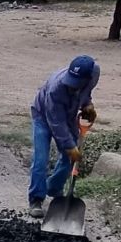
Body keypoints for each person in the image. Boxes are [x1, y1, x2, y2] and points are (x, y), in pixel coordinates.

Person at [28, 55, 100, 217]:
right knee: (41, 159)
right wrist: (70, 147)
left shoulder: (93, 73)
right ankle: (36, 199)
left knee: (70, 158)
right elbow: (57, 124)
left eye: (77, 83)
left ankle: (53, 188)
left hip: (68, 115)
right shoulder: (56, 89)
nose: (72, 86)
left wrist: (87, 104)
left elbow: (86, 91)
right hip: (43, 116)